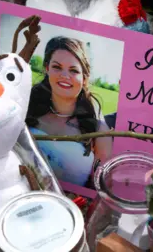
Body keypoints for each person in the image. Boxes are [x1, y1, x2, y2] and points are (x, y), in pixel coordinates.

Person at [26, 36, 112, 187]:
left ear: (84, 78)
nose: (64, 76)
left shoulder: (99, 131)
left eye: (73, 70)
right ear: (47, 68)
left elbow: (100, 187)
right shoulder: (27, 108)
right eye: (57, 67)